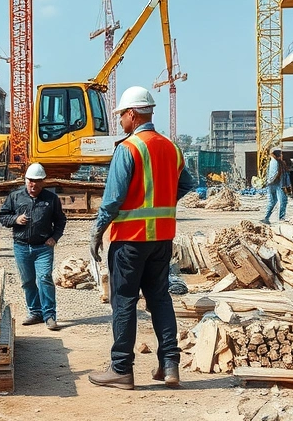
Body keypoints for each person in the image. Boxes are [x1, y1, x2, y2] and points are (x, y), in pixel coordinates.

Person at [87, 86, 196, 391]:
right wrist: (161, 203)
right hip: (162, 240)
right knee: (160, 298)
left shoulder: (130, 148)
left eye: (121, 115)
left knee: (124, 302)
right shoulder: (172, 148)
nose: (120, 120)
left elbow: (113, 198)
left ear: (132, 114)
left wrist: (97, 231)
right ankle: (170, 365)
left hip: (130, 241)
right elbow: (187, 184)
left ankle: (121, 368)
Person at [0, 162, 67, 332]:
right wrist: (15, 219)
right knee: (28, 282)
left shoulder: (51, 199)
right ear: (25, 180)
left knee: (44, 278)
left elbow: (60, 220)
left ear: (43, 181)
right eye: (30, 180)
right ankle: (35, 312)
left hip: (43, 248)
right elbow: (3, 216)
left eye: (37, 181)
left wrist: (55, 237)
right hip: (21, 247)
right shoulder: (15, 197)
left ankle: (49, 315)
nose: (33, 184)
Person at [261, 148, 289, 224]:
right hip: (278, 184)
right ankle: (281, 217)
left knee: (273, 201)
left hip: (274, 184)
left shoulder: (276, 162)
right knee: (283, 200)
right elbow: (275, 174)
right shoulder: (276, 163)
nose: (282, 155)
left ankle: (267, 217)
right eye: (281, 154)